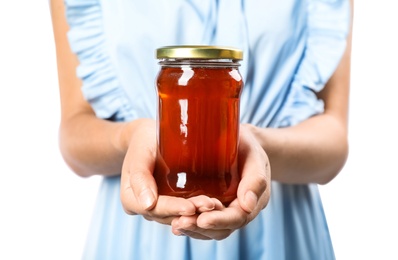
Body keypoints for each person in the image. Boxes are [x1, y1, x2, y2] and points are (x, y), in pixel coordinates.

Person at [50, 0, 353, 259]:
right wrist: (132, 138)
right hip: (136, 239)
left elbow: (333, 141)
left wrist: (255, 145)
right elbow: (75, 131)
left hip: (283, 234)